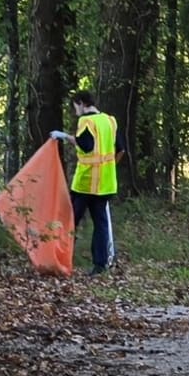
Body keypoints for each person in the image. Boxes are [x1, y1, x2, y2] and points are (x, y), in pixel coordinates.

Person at [49, 91, 125, 276]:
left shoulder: (86, 121)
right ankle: (100, 265)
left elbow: (86, 145)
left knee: (71, 221)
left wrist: (64, 136)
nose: (75, 112)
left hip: (85, 183)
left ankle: (60, 260)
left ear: (81, 103)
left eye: (75, 107)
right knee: (101, 223)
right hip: (106, 183)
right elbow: (121, 149)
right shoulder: (110, 121)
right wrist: (111, 166)